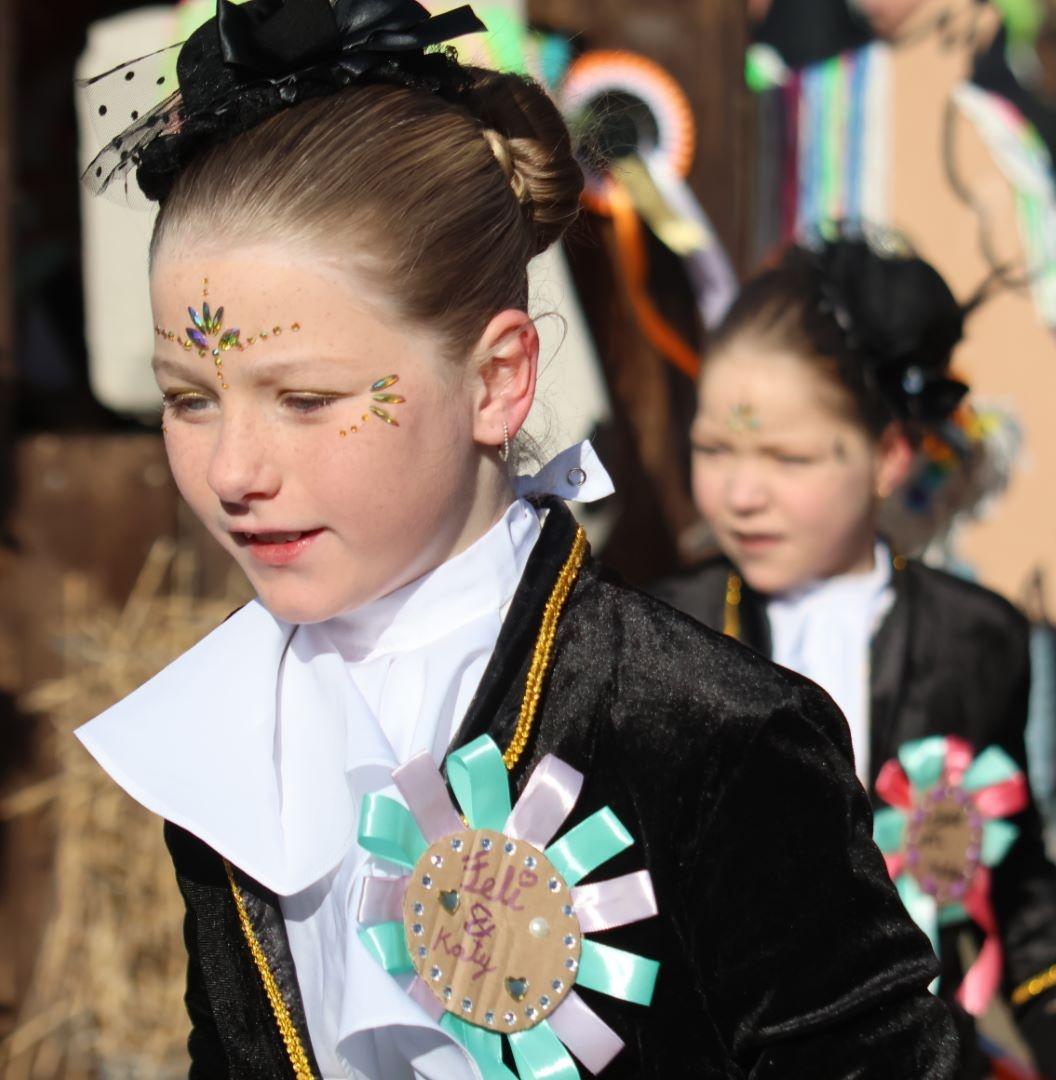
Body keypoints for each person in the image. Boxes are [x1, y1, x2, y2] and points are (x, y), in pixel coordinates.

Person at [71, 2, 958, 1075]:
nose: (231, 471)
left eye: (304, 399)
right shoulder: (230, 732)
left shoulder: (704, 736)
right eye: (189, 399)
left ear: (496, 381)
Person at [651, 235, 1056, 1080]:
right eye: (714, 449)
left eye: (788, 458)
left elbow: (1015, 878)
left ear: (889, 457)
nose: (741, 494)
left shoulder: (972, 640)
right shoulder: (661, 631)